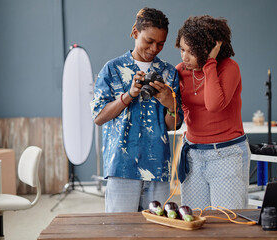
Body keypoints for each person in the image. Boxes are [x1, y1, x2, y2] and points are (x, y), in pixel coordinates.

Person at [91, 7, 183, 213]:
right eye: (149, 41)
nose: (154, 48)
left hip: (158, 167)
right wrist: (129, 95)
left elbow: (173, 125)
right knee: (120, 231)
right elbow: (98, 117)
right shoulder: (112, 69)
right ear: (135, 32)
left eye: (160, 44)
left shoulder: (169, 73)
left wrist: (170, 103)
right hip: (122, 168)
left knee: (157, 231)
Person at [175, 15, 250, 210]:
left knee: (227, 224)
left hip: (226, 154)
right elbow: (185, 108)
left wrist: (209, 63)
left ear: (209, 51)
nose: (184, 57)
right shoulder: (181, 71)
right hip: (193, 154)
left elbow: (214, 105)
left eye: (192, 52)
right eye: (182, 50)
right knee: (195, 219)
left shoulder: (229, 68)